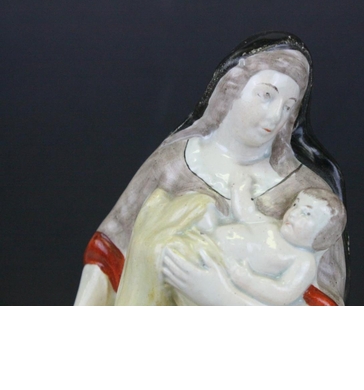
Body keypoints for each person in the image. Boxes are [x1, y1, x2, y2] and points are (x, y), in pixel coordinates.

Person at [74, 31, 349, 306]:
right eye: (266, 95)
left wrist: (221, 297)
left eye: (289, 107)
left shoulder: (309, 195)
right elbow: (109, 254)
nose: (276, 115)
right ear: (232, 87)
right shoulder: (172, 164)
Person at [160, 187, 346, 306]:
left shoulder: (303, 261)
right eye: (295, 205)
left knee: (173, 258)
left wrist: (246, 279)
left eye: (306, 214)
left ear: (322, 236)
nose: (294, 212)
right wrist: (240, 189)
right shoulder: (272, 225)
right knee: (201, 208)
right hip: (207, 242)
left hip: (217, 264)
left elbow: (282, 293)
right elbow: (247, 213)